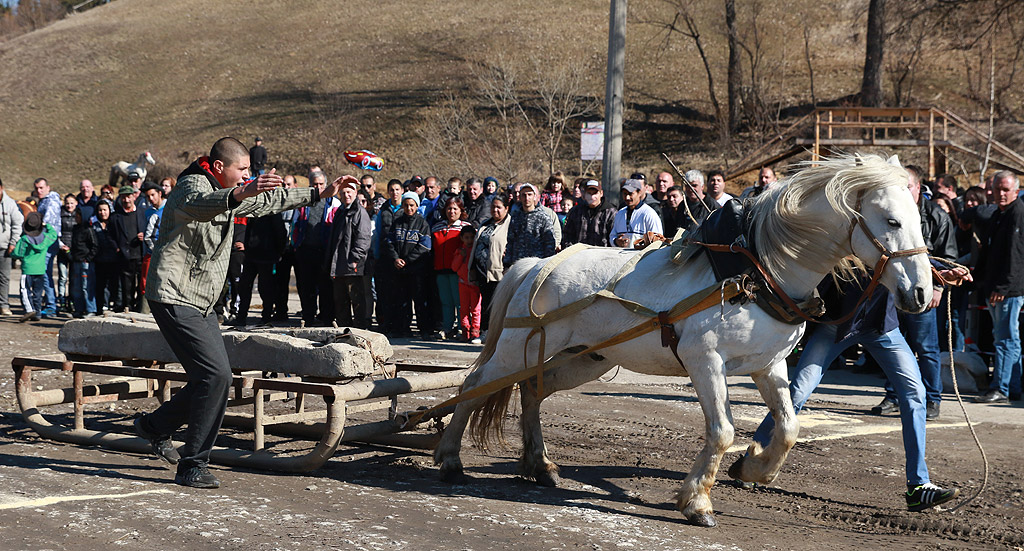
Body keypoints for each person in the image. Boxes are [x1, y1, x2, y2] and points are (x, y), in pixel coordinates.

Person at [136, 136, 354, 489]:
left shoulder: (232, 190)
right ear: (221, 167)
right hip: (174, 295)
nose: (245, 177)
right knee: (216, 377)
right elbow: (203, 205)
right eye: (242, 171)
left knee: (212, 378)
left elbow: (269, 202)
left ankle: (154, 427)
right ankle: (192, 464)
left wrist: (321, 193)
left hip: (201, 301)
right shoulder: (192, 185)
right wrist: (240, 194)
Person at [735, 270, 963, 512]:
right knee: (797, 393)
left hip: (881, 327)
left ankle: (918, 486)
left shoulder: (896, 242)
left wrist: (938, 273)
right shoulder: (857, 235)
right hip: (836, 326)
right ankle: (752, 462)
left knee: (915, 394)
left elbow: (909, 257)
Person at [871, 165, 956, 420]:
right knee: (892, 346)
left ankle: (932, 399)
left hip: (923, 292)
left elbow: (949, 257)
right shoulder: (891, 213)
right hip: (893, 291)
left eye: (908, 187)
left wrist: (939, 287)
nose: (904, 192)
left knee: (926, 348)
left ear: (919, 188)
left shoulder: (937, 217)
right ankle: (893, 396)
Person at [975, 171, 1024, 403]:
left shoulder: (1017, 213)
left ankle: (1002, 388)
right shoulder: (999, 214)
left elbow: (1015, 256)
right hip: (995, 286)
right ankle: (1012, 386)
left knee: (1004, 339)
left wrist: (1002, 287)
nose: (1001, 194)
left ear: (1016, 190)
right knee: (1008, 339)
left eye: (1005, 189)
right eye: (997, 189)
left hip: (1007, 290)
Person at [292, 169, 340, 326]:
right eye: (315, 184)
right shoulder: (304, 202)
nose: (318, 187)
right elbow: (295, 224)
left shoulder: (334, 202)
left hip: (325, 251)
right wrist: (296, 244)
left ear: (326, 184)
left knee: (326, 287)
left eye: (321, 184)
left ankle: (327, 317)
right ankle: (308, 316)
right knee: (306, 286)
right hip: (306, 250)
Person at [381, 192, 432, 337]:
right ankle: (403, 328)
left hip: (416, 269)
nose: (409, 208)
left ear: (417, 206)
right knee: (402, 301)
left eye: (412, 205)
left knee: (420, 301)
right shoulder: (397, 222)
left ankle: (424, 330)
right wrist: (396, 258)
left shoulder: (422, 223)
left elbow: (425, 246)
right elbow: (389, 242)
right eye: (406, 205)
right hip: (399, 269)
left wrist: (408, 260)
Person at [327, 178, 371, 328]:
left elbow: (363, 239)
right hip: (338, 266)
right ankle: (345, 332)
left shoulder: (360, 213)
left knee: (357, 301)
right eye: (343, 192)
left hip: (353, 266)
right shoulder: (340, 211)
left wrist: (354, 260)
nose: (346, 195)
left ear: (355, 193)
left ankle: (360, 331)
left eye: (349, 192)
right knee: (340, 301)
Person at [231, 211, 287, 326]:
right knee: (244, 286)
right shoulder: (256, 210)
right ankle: (241, 316)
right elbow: (248, 230)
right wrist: (246, 246)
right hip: (251, 254)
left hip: (267, 255)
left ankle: (266, 316)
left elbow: (280, 232)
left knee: (265, 288)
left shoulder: (274, 212)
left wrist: (278, 252)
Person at [469, 195, 510, 338]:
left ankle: (497, 334)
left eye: (499, 207)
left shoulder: (509, 225)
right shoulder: (485, 223)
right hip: (482, 271)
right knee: (486, 303)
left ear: (506, 208)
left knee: (497, 305)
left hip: (498, 272)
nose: (495, 210)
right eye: (493, 207)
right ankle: (485, 332)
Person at [432, 196, 471, 339]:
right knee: (446, 302)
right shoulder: (437, 227)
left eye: (455, 208)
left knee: (460, 302)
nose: (452, 211)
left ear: (461, 211)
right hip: (441, 270)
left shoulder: (465, 228)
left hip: (458, 272)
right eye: (449, 208)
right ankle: (447, 328)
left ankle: (462, 328)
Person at [12, 212, 57, 322]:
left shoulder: (24, 239)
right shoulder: (46, 238)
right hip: (41, 269)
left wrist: (12, 253)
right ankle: (37, 313)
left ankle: (29, 309)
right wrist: (47, 225)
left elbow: (18, 253)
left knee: (25, 290)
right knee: (38, 293)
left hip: (28, 269)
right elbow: (54, 234)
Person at [373, 179, 405, 334]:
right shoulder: (384, 209)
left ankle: (401, 325)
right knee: (385, 295)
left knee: (401, 294)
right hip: (385, 258)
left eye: (397, 189)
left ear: (402, 191)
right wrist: (377, 255)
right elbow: (378, 233)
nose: (395, 193)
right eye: (392, 190)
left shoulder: (407, 208)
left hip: (401, 258)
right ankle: (387, 324)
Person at [111, 185, 147, 312]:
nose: (126, 200)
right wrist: (116, 248)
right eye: (123, 197)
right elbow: (111, 235)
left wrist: (144, 236)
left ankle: (140, 306)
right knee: (127, 285)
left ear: (134, 196)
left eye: (128, 197)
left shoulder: (143, 213)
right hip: (125, 255)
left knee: (142, 283)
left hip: (141, 254)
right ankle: (128, 306)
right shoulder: (115, 217)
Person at [503, 184, 556, 267]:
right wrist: (506, 264)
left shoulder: (543, 218)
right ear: (520, 197)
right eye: (523, 195)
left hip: (537, 265)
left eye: (529, 195)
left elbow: (549, 244)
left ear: (535, 197)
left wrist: (547, 266)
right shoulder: (515, 218)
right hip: (517, 265)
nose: (526, 198)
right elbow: (510, 242)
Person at [34, 178, 62, 317]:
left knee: (44, 273)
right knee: (45, 273)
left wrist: (39, 226)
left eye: (41, 188)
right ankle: (50, 303)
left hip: (49, 241)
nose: (39, 191)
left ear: (48, 187)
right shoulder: (44, 200)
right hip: (45, 240)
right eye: (37, 188)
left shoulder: (52, 199)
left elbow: (48, 218)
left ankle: (51, 306)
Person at [610, 179, 663, 248]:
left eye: (630, 194)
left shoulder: (649, 213)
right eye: (625, 194)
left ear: (639, 193)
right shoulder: (620, 213)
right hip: (621, 257)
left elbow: (658, 240)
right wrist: (617, 241)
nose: (627, 197)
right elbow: (612, 236)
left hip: (642, 257)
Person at [561, 179, 616, 247]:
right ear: (584, 194)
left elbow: (614, 238)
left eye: (595, 193)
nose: (592, 197)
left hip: (602, 254)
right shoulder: (575, 211)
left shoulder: (611, 212)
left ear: (601, 193)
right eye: (589, 193)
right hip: (579, 254)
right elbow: (567, 235)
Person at [452, 225, 482, 343]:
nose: (469, 240)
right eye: (466, 238)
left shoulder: (476, 251)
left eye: (471, 237)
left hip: (474, 284)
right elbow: (454, 267)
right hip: (463, 284)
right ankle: (465, 331)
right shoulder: (460, 251)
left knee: (475, 309)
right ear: (462, 238)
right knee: (463, 309)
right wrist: (461, 256)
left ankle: (475, 331)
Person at [0, 177, 25, 316]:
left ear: (1, 188)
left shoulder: (10, 204)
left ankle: (3, 305)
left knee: (4, 277)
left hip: (4, 246)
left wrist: (13, 242)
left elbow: (18, 223)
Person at [69, 207, 98, 318]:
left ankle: (91, 309)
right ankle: (78, 309)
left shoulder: (89, 229)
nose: (76, 217)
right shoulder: (75, 228)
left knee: (87, 287)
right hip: (76, 261)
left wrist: (88, 258)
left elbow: (95, 246)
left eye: (78, 215)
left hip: (86, 262)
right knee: (77, 288)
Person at [141, 183, 167, 311]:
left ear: (160, 194)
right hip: (151, 252)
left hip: (168, 253)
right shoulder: (148, 212)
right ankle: (145, 312)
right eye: (148, 196)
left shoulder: (169, 208)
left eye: (153, 195)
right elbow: (147, 235)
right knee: (147, 284)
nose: (151, 198)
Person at [93, 201, 119, 313]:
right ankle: (102, 305)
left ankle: (113, 303)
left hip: (114, 259)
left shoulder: (114, 223)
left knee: (113, 284)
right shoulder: (94, 225)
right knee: (100, 285)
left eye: (105, 210)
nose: (102, 212)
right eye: (100, 210)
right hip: (99, 260)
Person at [57, 194, 78, 313]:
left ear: (76, 203)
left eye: (72, 203)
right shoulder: (60, 214)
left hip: (74, 250)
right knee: (62, 277)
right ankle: (61, 300)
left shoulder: (78, 215)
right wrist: (61, 245)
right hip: (62, 249)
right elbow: (57, 231)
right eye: (67, 203)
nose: (69, 205)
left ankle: (72, 300)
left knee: (73, 278)